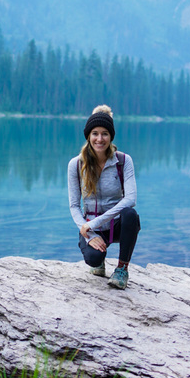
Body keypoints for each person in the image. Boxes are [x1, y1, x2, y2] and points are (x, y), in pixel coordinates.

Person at [68, 105, 140, 289]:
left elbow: (130, 199)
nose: (100, 139)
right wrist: (90, 233)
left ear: (111, 136)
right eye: (95, 133)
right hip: (91, 227)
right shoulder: (76, 165)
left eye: (105, 133)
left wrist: (94, 223)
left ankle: (122, 269)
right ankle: (98, 262)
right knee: (93, 259)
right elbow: (74, 206)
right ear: (88, 136)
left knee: (130, 215)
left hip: (115, 225)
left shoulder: (124, 161)